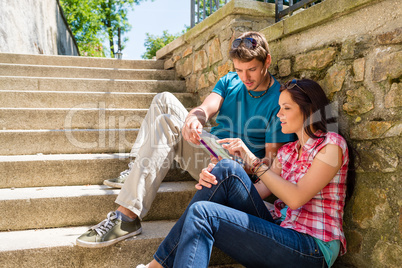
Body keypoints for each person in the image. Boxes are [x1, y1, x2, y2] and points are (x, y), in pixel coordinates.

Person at [76, 31, 296, 248]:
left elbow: (270, 167)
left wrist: (241, 162)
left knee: (166, 121)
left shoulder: (280, 101)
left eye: (252, 70)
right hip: (209, 152)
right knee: (164, 99)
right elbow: (204, 108)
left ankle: (127, 218)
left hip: (236, 171)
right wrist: (194, 119)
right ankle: (137, 168)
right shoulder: (230, 81)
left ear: (267, 60)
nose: (245, 77)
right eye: (239, 70)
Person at [137, 79, 356, 268]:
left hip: (311, 248)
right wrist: (216, 176)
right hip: (280, 230)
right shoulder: (288, 151)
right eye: (279, 108)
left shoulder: (331, 145)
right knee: (226, 170)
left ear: (308, 110)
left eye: (286, 108)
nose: (279, 114)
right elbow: (256, 192)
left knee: (203, 213)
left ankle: (158, 265)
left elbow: (296, 198)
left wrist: (252, 160)